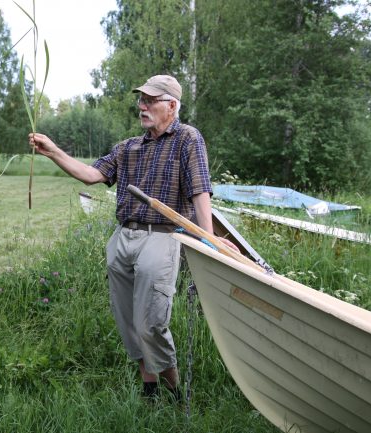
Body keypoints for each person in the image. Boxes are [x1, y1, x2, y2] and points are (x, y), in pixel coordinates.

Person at [30, 75, 235, 401]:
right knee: (128, 321)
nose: (142, 106)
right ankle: (149, 388)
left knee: (151, 324)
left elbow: (199, 193)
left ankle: (174, 391)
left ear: (172, 105)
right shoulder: (129, 147)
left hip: (161, 238)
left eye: (150, 100)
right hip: (123, 239)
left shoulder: (187, 139)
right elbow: (91, 174)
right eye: (141, 99)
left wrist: (208, 242)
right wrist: (53, 151)